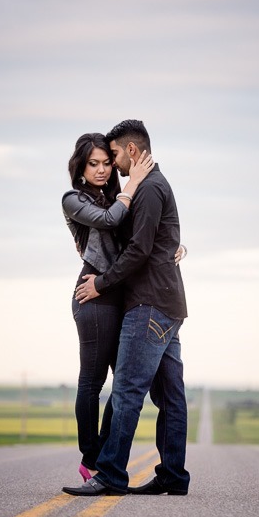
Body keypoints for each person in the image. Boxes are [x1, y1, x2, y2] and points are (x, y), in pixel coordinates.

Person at [62, 120, 190, 497]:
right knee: (169, 396)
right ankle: (173, 477)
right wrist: (172, 248)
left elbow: (139, 249)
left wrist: (101, 282)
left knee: (128, 392)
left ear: (131, 151)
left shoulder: (146, 187)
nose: (109, 166)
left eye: (112, 156)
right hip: (164, 302)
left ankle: (111, 474)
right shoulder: (133, 190)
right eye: (96, 162)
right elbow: (143, 236)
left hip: (148, 303)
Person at [62, 132, 154, 482]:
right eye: (93, 164)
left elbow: (138, 236)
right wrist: (134, 183)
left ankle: (102, 450)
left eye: (106, 163)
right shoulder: (73, 198)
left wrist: (175, 248)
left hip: (121, 293)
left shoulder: (118, 196)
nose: (101, 170)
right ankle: (90, 457)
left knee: (126, 381)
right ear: (81, 168)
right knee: (92, 381)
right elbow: (109, 221)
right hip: (93, 293)